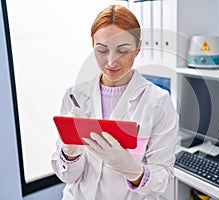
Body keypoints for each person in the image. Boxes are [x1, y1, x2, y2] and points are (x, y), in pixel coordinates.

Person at [51, 4, 178, 200]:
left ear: (137, 48)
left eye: (122, 50)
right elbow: (67, 175)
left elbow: (163, 178)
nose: (111, 62)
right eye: (102, 50)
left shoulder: (158, 102)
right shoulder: (74, 96)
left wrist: (133, 171)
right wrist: (70, 154)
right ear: (93, 45)